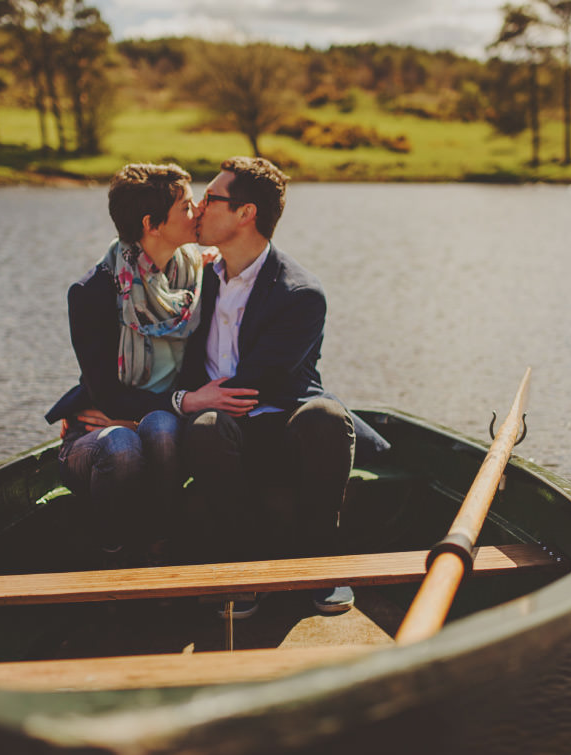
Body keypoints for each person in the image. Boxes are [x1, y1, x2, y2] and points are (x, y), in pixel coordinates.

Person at [173, 156, 390, 616]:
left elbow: (257, 384)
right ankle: (243, 567)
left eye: (210, 198)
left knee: (327, 418)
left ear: (245, 213)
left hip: (282, 427)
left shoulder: (299, 293)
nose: (198, 208)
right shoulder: (196, 279)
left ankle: (321, 565)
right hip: (219, 433)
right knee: (207, 427)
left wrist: (198, 399)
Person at [45, 163, 251, 556]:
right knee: (123, 444)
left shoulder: (195, 277)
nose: (199, 212)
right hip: (96, 434)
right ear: (152, 224)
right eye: (187, 207)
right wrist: (175, 406)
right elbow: (105, 395)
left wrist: (142, 415)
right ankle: (113, 555)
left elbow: (190, 372)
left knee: (157, 427)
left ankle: (161, 546)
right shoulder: (93, 292)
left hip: (160, 427)